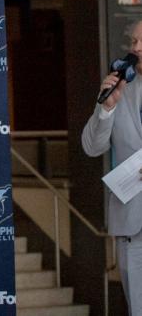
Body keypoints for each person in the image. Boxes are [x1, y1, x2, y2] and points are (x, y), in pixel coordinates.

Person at [83, 18, 142, 313]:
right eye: (133, 42)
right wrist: (105, 108)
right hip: (133, 226)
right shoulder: (121, 89)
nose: (137, 48)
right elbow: (92, 147)